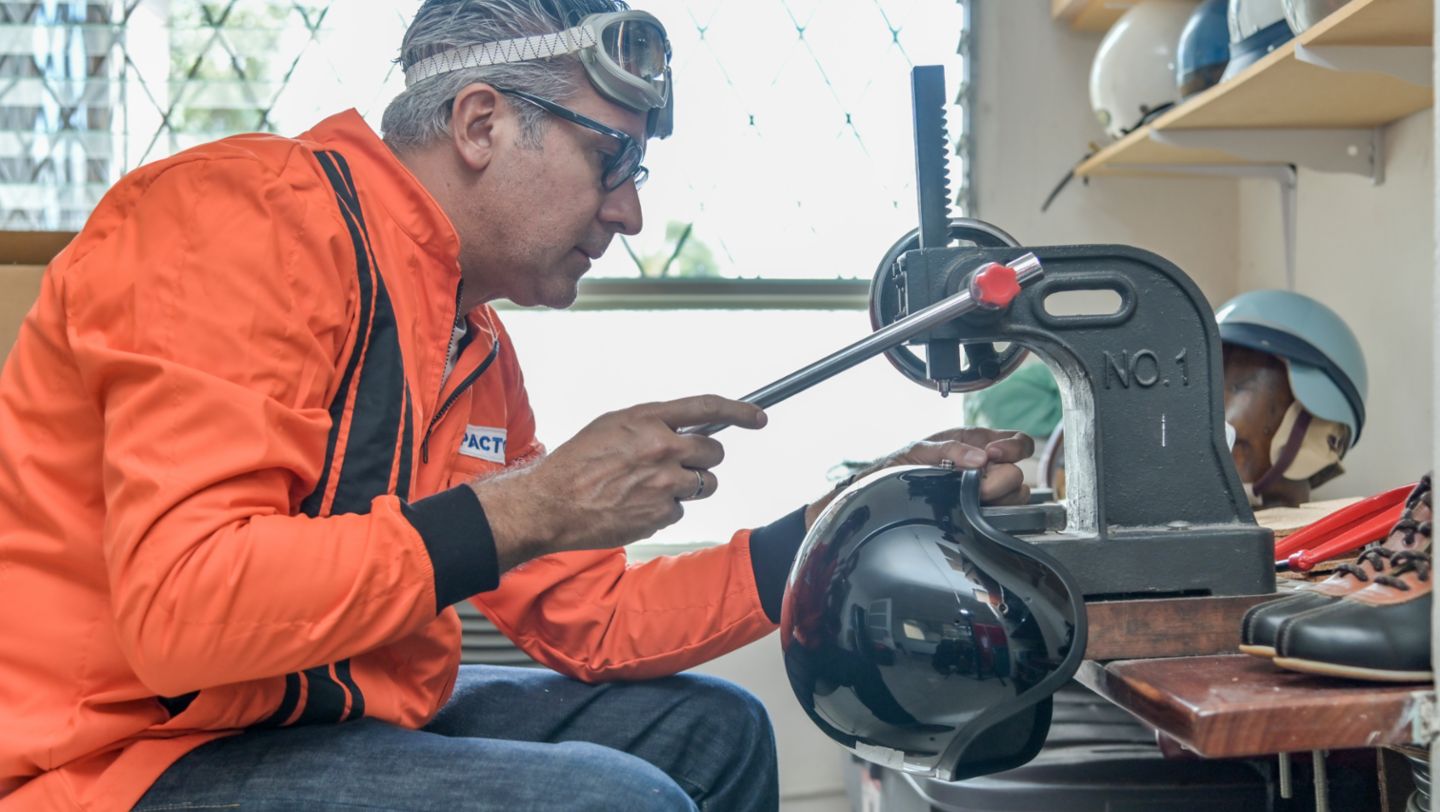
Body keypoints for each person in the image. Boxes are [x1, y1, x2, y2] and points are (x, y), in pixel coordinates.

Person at [0, 1, 1031, 809]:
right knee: (612, 801)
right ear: (482, 122)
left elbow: (595, 616)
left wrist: (845, 521)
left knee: (716, 732)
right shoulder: (234, 222)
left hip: (309, 717)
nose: (630, 209)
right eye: (611, 159)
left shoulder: (469, 340)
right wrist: (531, 503)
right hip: (122, 759)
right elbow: (185, 613)